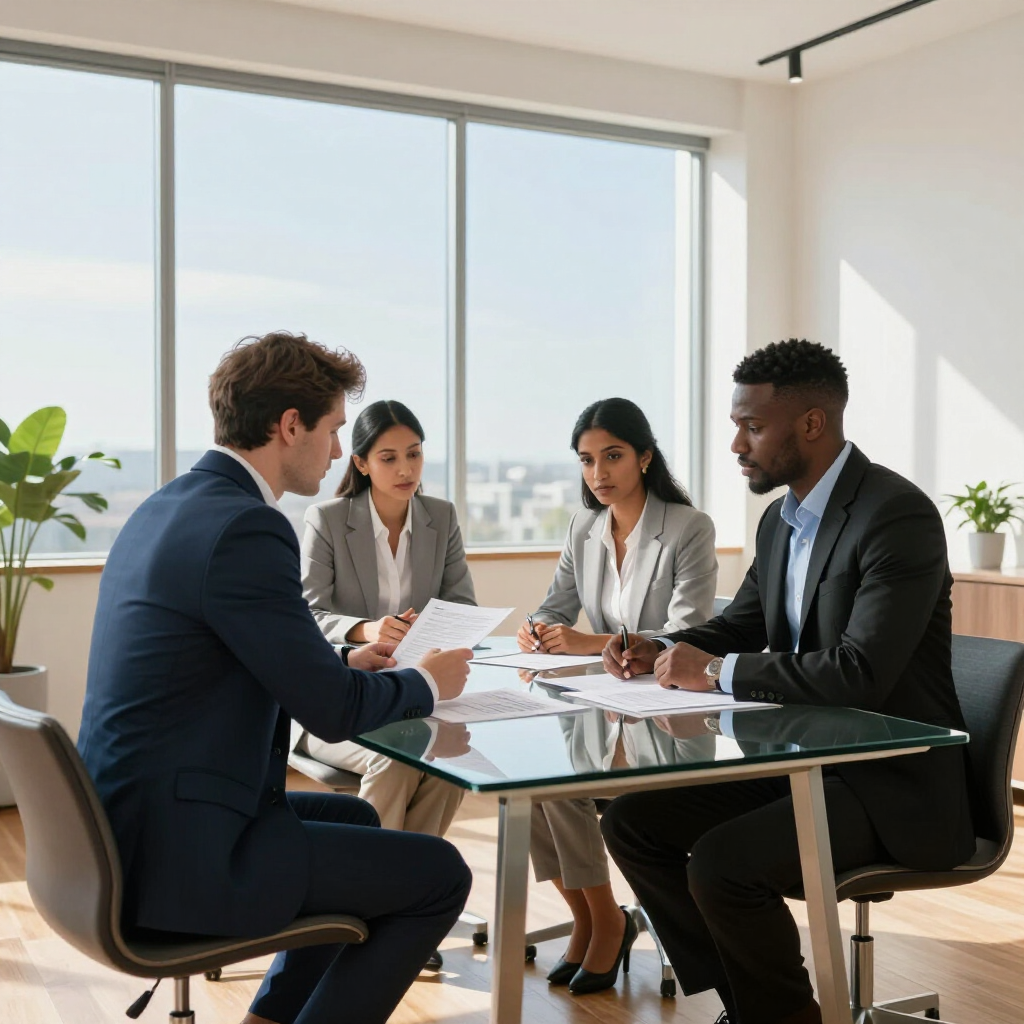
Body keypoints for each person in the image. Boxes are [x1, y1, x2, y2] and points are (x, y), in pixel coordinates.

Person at [76, 331, 475, 1024]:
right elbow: (334, 713)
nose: (333, 450)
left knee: (354, 814)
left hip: (128, 826)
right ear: (289, 426)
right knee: (440, 876)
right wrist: (432, 682)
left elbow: (228, 659)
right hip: (182, 857)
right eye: (331, 430)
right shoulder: (247, 528)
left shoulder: (168, 505)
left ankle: (267, 1019)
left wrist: (342, 661)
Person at [599, 339, 975, 1024]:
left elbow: (860, 671)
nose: (737, 443)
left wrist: (711, 673)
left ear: (811, 424)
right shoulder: (781, 520)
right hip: (808, 763)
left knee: (721, 864)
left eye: (752, 425)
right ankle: (751, 1002)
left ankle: (781, 1015)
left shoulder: (896, 515)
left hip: (889, 780)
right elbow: (741, 623)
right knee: (633, 823)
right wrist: (660, 647)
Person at [516, 397, 718, 995]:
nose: (599, 474)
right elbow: (553, 604)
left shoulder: (688, 527)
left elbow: (687, 635)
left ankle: (605, 921)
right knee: (532, 784)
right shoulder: (584, 527)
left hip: (668, 721)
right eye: (586, 461)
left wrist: (586, 640)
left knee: (559, 786)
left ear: (645, 458)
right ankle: (591, 916)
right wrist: (537, 626)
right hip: (603, 709)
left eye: (612, 457)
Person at [297, 400, 474, 967]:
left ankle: (402, 911)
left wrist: (434, 627)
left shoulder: (440, 517)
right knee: (398, 760)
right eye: (390, 457)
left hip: (413, 696)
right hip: (338, 701)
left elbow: (463, 603)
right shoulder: (327, 520)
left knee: (449, 759)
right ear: (362, 463)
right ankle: (366, 902)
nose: (406, 469)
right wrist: (365, 628)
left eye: (415, 454)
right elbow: (304, 616)